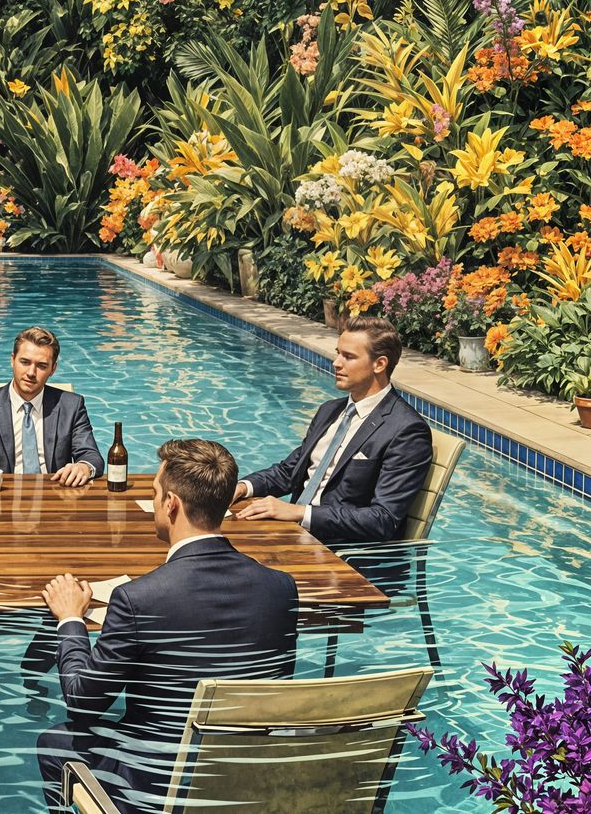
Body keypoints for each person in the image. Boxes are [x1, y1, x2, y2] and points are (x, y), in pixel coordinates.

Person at [37, 439, 298, 813]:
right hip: (246, 776)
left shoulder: (138, 598)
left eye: (156, 493)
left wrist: (71, 620)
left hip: (157, 784)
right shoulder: (281, 588)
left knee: (56, 741)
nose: (156, 501)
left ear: (171, 504)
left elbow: (83, 702)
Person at [234, 315, 433, 544]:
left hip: (341, 554)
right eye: (338, 353)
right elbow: (290, 471)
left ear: (380, 364)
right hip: (296, 536)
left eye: (348, 357)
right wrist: (241, 487)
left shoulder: (406, 430)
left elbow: (382, 519)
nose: (336, 363)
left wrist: (300, 512)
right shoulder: (330, 411)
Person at [0, 326, 104, 485]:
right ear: (12, 360)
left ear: (53, 369)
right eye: (25, 362)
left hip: (56, 496)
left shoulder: (71, 406)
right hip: (0, 496)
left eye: (42, 366)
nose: (31, 372)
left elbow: (91, 456)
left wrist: (84, 467)